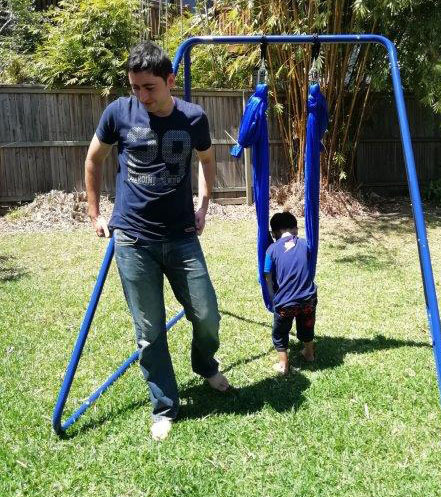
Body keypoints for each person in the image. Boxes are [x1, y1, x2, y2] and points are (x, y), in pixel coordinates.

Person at [84, 41, 229, 441]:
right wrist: (95, 213)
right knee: (149, 330)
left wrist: (204, 204)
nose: (142, 96)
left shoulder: (194, 118)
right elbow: (93, 159)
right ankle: (164, 405)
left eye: (149, 87)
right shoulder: (118, 113)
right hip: (133, 240)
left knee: (207, 314)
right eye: (135, 87)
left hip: (181, 236)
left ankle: (205, 365)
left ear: (169, 81)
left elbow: (207, 160)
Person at [264, 211, 317, 375]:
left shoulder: (271, 249)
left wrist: (272, 298)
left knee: (280, 332)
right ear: (295, 229)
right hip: (308, 299)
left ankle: (283, 364)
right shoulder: (305, 244)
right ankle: (309, 353)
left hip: (285, 303)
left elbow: (267, 275)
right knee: (307, 325)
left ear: (274, 233)